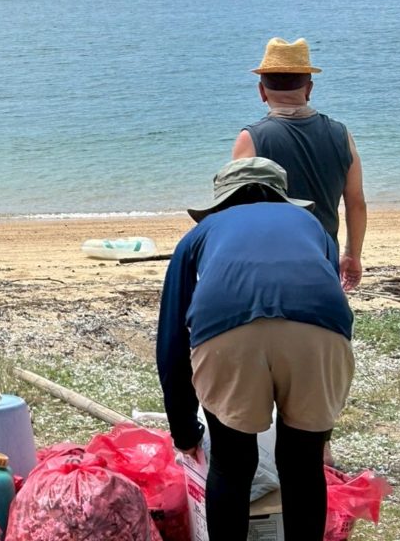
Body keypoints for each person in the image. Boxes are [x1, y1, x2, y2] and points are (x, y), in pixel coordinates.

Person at [157, 157, 354, 541]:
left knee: (231, 464)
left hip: (226, 332)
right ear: (281, 196)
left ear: (222, 201)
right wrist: (321, 433)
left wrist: (184, 432)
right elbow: (330, 300)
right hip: (320, 332)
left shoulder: (201, 234)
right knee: (302, 465)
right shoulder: (312, 226)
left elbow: (171, 344)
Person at [232, 37, 366, 290]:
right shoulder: (341, 135)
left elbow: (236, 213)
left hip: (270, 261)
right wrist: (352, 255)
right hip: (323, 256)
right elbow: (356, 203)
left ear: (262, 91)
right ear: (309, 89)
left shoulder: (250, 139)